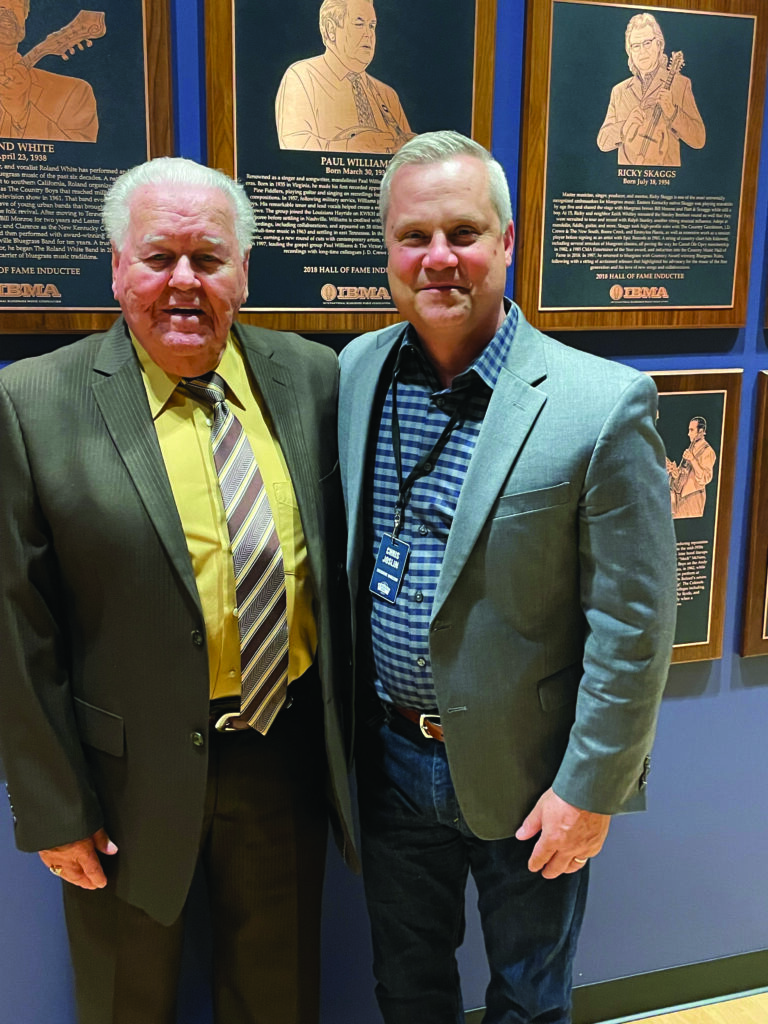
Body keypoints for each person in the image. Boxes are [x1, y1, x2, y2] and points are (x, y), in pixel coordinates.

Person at [0, 156, 355, 1024]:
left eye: (210, 257)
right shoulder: (32, 401)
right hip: (121, 783)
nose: (185, 282)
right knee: (128, 1001)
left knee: (279, 999)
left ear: (244, 272)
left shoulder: (312, 377)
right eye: (159, 258)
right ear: (118, 269)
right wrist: (52, 806)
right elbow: (16, 625)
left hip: (283, 752)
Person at [338, 130, 677, 1023]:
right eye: (414, 237)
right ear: (388, 252)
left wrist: (591, 792)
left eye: (464, 232)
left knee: (530, 1000)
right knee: (407, 991)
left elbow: (635, 625)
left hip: (533, 781)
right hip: (390, 761)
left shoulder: (599, 404)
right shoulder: (356, 371)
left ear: (509, 241)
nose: (439, 258)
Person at [275, 0, 413, 154]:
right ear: (330, 29)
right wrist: (349, 147)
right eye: (359, 24)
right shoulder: (302, 77)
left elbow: (408, 163)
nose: (369, 34)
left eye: (372, 26)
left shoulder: (388, 96)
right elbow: (294, 146)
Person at [597, 11, 705, 166]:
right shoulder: (619, 91)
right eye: (635, 46)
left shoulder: (680, 84)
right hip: (627, 181)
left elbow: (699, 139)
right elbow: (602, 142)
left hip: (665, 182)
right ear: (630, 52)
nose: (642, 51)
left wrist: (672, 112)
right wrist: (624, 126)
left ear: (659, 44)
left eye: (647, 43)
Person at [0, 0, 98, 141]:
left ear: (25, 14)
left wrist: (21, 113)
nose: (6, 7)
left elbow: (76, 157)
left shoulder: (73, 94)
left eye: (16, 3)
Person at [666, 416, 716, 519]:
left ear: (701, 431)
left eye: (691, 430)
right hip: (680, 498)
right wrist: (675, 472)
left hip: (693, 498)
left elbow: (705, 478)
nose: (688, 434)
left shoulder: (708, 451)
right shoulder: (690, 448)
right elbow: (683, 472)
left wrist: (693, 460)